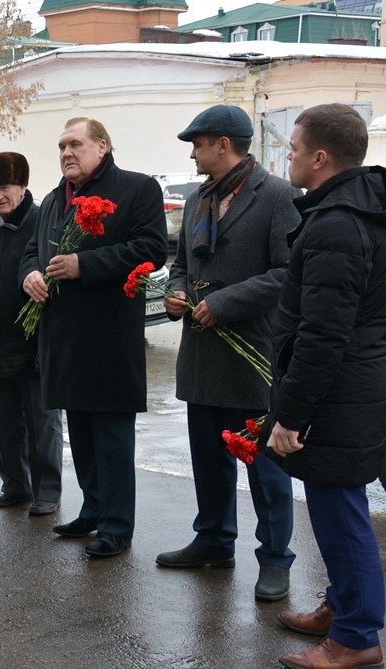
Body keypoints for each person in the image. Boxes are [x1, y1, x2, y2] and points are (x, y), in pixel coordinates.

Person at [267, 103, 386, 669]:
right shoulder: (361, 207)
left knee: (342, 513)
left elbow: (324, 333)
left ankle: (355, 638)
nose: (289, 157)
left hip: (338, 388)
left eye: (295, 148)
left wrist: (291, 415)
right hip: (352, 380)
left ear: (321, 157)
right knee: (331, 508)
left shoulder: (337, 223)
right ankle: (342, 606)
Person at [156, 105, 299, 602]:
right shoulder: (198, 198)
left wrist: (223, 302)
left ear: (223, 144)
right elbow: (181, 263)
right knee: (209, 460)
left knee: (264, 470)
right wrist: (175, 294)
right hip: (201, 354)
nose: (192, 153)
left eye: (197, 144)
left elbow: (287, 274)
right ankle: (214, 540)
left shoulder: (279, 196)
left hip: (252, 356)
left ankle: (276, 559)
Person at [20, 118, 167, 558]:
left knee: (112, 438)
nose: (66, 152)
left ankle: (117, 527)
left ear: (102, 146)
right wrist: (28, 273)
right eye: (62, 145)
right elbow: (33, 250)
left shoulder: (137, 189)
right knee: (81, 434)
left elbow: (151, 248)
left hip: (108, 337)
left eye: (76, 144)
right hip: (64, 338)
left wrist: (86, 265)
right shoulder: (52, 200)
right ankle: (93, 510)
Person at [0, 152, 63, 516]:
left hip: (34, 339)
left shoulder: (43, 221)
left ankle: (47, 490)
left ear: (22, 187)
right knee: (7, 422)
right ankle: (15, 485)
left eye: (4, 187)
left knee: (42, 423)